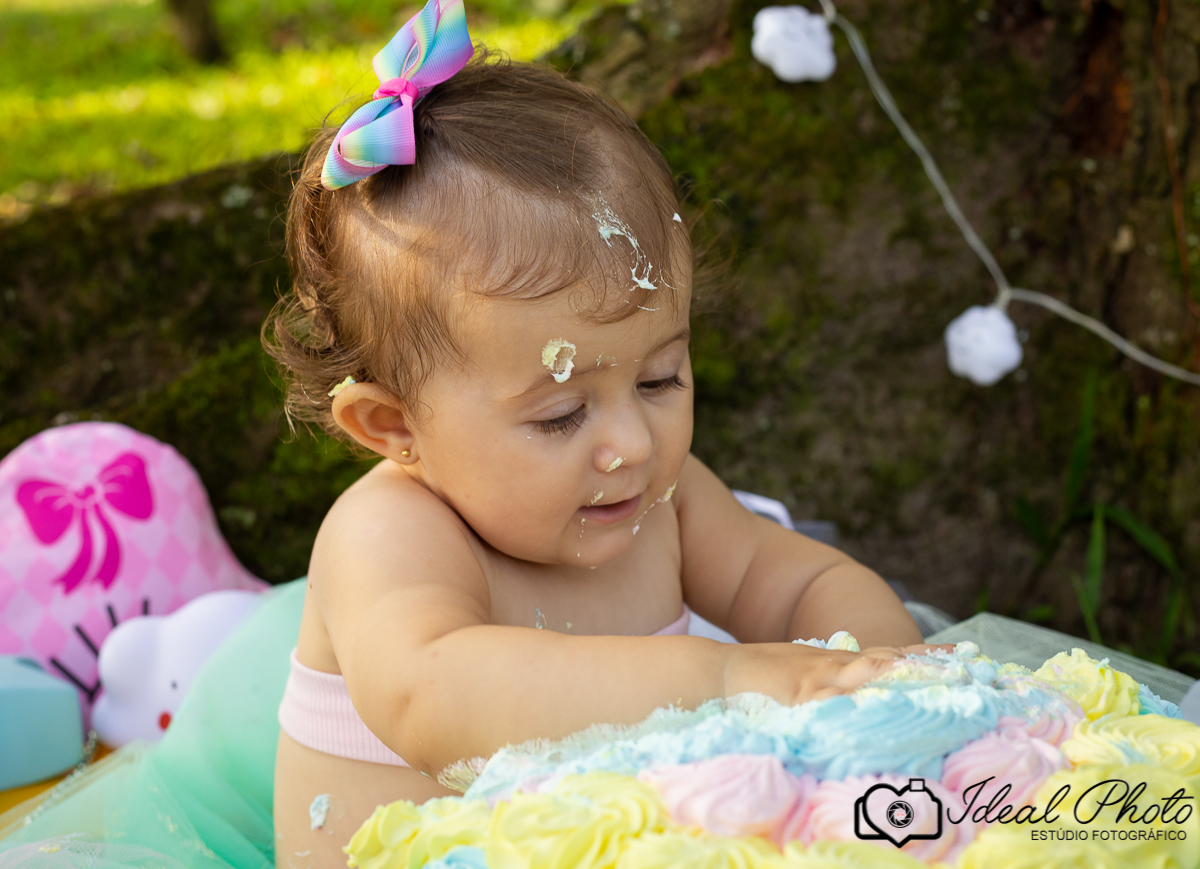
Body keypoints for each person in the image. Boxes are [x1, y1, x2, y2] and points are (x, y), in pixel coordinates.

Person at [264, 0, 930, 864]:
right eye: (562, 413)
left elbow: (796, 583)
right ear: (395, 425)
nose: (634, 444)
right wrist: (725, 678)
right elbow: (433, 697)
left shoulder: (664, 501)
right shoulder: (390, 533)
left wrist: (888, 677)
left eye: (660, 379)